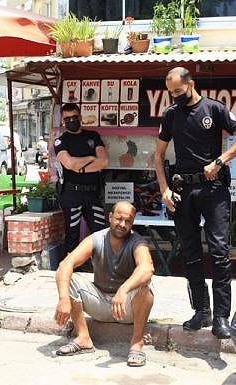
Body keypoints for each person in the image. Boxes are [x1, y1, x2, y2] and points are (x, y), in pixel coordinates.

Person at [154, 67, 236, 339]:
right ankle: (202, 311)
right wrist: (164, 189)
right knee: (190, 253)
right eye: (171, 93)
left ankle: (222, 317)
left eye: (178, 91)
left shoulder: (214, 109)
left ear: (191, 84)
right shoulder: (171, 115)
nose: (175, 97)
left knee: (220, 252)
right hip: (183, 190)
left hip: (213, 189)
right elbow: (158, 156)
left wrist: (220, 161)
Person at [54, 201, 154, 367]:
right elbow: (66, 264)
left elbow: (147, 267)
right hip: (100, 303)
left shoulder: (138, 242)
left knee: (145, 286)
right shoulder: (96, 238)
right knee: (69, 279)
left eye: (128, 221)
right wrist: (63, 297)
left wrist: (123, 290)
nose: (122, 224)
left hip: (126, 308)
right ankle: (83, 338)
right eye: (119, 218)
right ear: (110, 217)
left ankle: (137, 343)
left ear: (132, 223)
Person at [54, 103, 109, 264]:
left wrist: (82, 168)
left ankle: (103, 270)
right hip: (71, 195)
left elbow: (104, 161)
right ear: (63, 121)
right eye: (67, 119)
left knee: (100, 234)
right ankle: (70, 271)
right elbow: (69, 164)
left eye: (74, 117)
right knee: (72, 235)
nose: (71, 121)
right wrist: (91, 158)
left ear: (80, 117)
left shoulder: (93, 136)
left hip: (92, 194)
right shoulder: (61, 141)